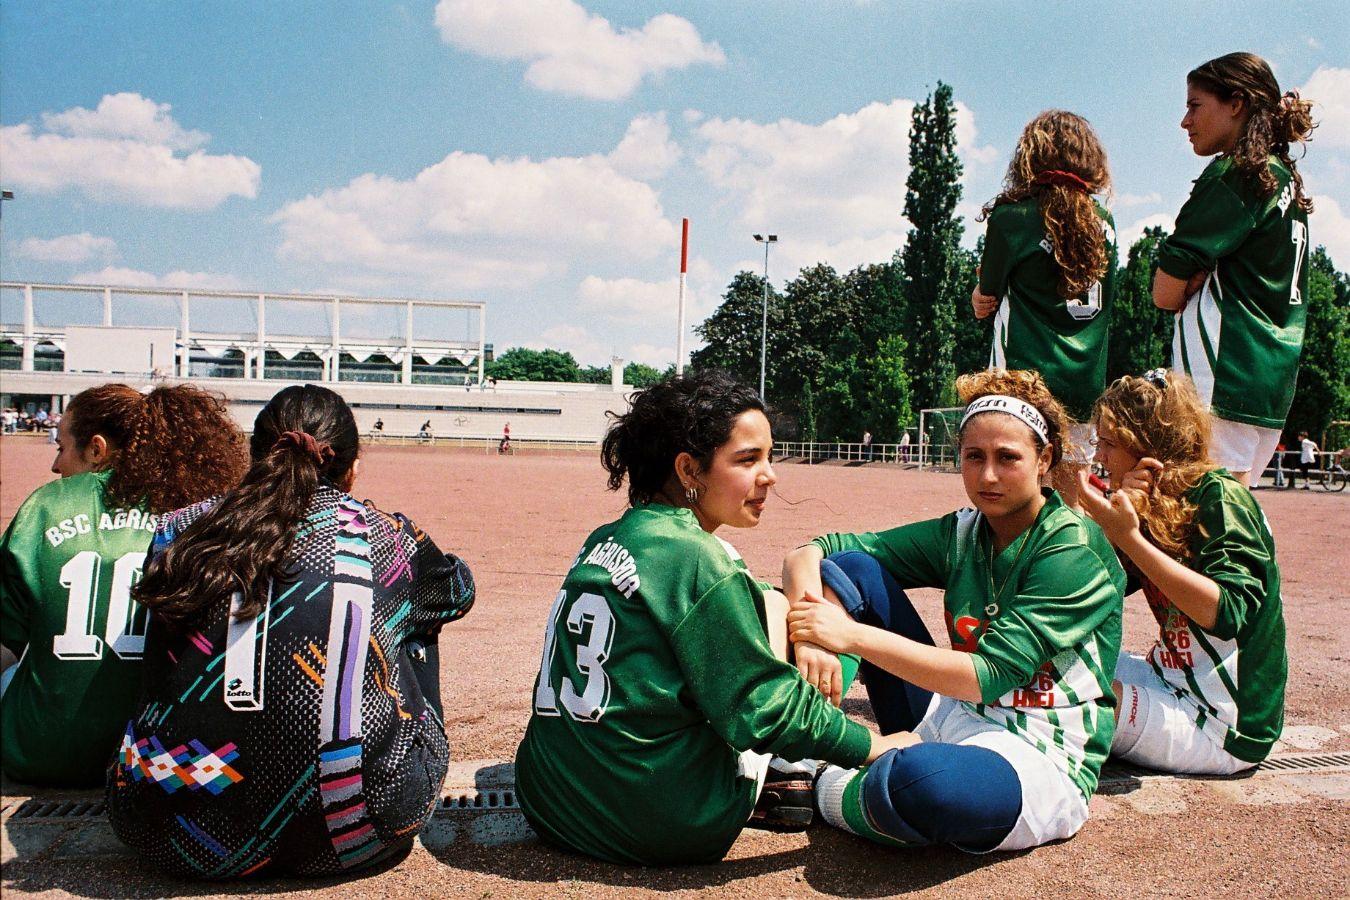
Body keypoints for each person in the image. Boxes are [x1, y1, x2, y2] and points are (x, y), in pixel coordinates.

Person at [514, 370, 914, 866]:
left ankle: (783, 764)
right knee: (817, 614)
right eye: (747, 460)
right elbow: (765, 708)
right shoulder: (698, 559)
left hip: (550, 803)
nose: (770, 475)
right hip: (666, 822)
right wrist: (874, 745)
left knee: (768, 602)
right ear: (689, 470)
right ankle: (793, 769)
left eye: (768, 456)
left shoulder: (604, 538)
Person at [107, 384, 475, 878]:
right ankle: (350, 772)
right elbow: (458, 593)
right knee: (417, 622)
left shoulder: (179, 528)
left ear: (255, 456)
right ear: (352, 465)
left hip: (164, 828)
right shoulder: (384, 538)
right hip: (353, 836)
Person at [782, 369, 1124, 852]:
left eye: (1008, 458)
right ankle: (806, 738)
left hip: (1038, 753)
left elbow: (992, 675)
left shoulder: (1073, 548)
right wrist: (814, 632)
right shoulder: (964, 530)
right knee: (853, 570)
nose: (988, 476)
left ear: (1044, 459)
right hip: (953, 714)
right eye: (974, 457)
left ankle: (815, 783)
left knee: (928, 785)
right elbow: (815, 552)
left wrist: (848, 636)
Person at [0, 384, 246, 786]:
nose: (55, 465)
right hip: (157, 759)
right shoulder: (198, 513)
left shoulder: (47, 503)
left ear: (96, 449)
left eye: (61, 447)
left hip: (39, 755)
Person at [1079, 369, 1285, 775]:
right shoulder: (1155, 496)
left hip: (1223, 723)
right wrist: (1123, 527)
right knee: (1049, 658)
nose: (1098, 457)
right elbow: (1101, 593)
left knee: (1076, 699)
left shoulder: (1221, 497)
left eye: (1108, 444)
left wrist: (1131, 537)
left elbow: (1225, 613)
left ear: (1145, 444)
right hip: (1168, 676)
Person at [1153, 52, 1316, 488]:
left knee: (1208, 528)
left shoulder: (1236, 174)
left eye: (1194, 105)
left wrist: (1192, 280)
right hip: (1268, 378)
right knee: (1234, 516)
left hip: (1221, 375)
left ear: (1236, 104)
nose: (1185, 121)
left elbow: (1164, 294)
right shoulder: (1284, 178)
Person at [971, 110, 1117, 506]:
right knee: (1072, 502)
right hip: (1085, 382)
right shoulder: (1104, 221)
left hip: (1023, 379)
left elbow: (988, 299)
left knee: (1014, 497)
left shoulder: (1013, 216)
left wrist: (977, 294)